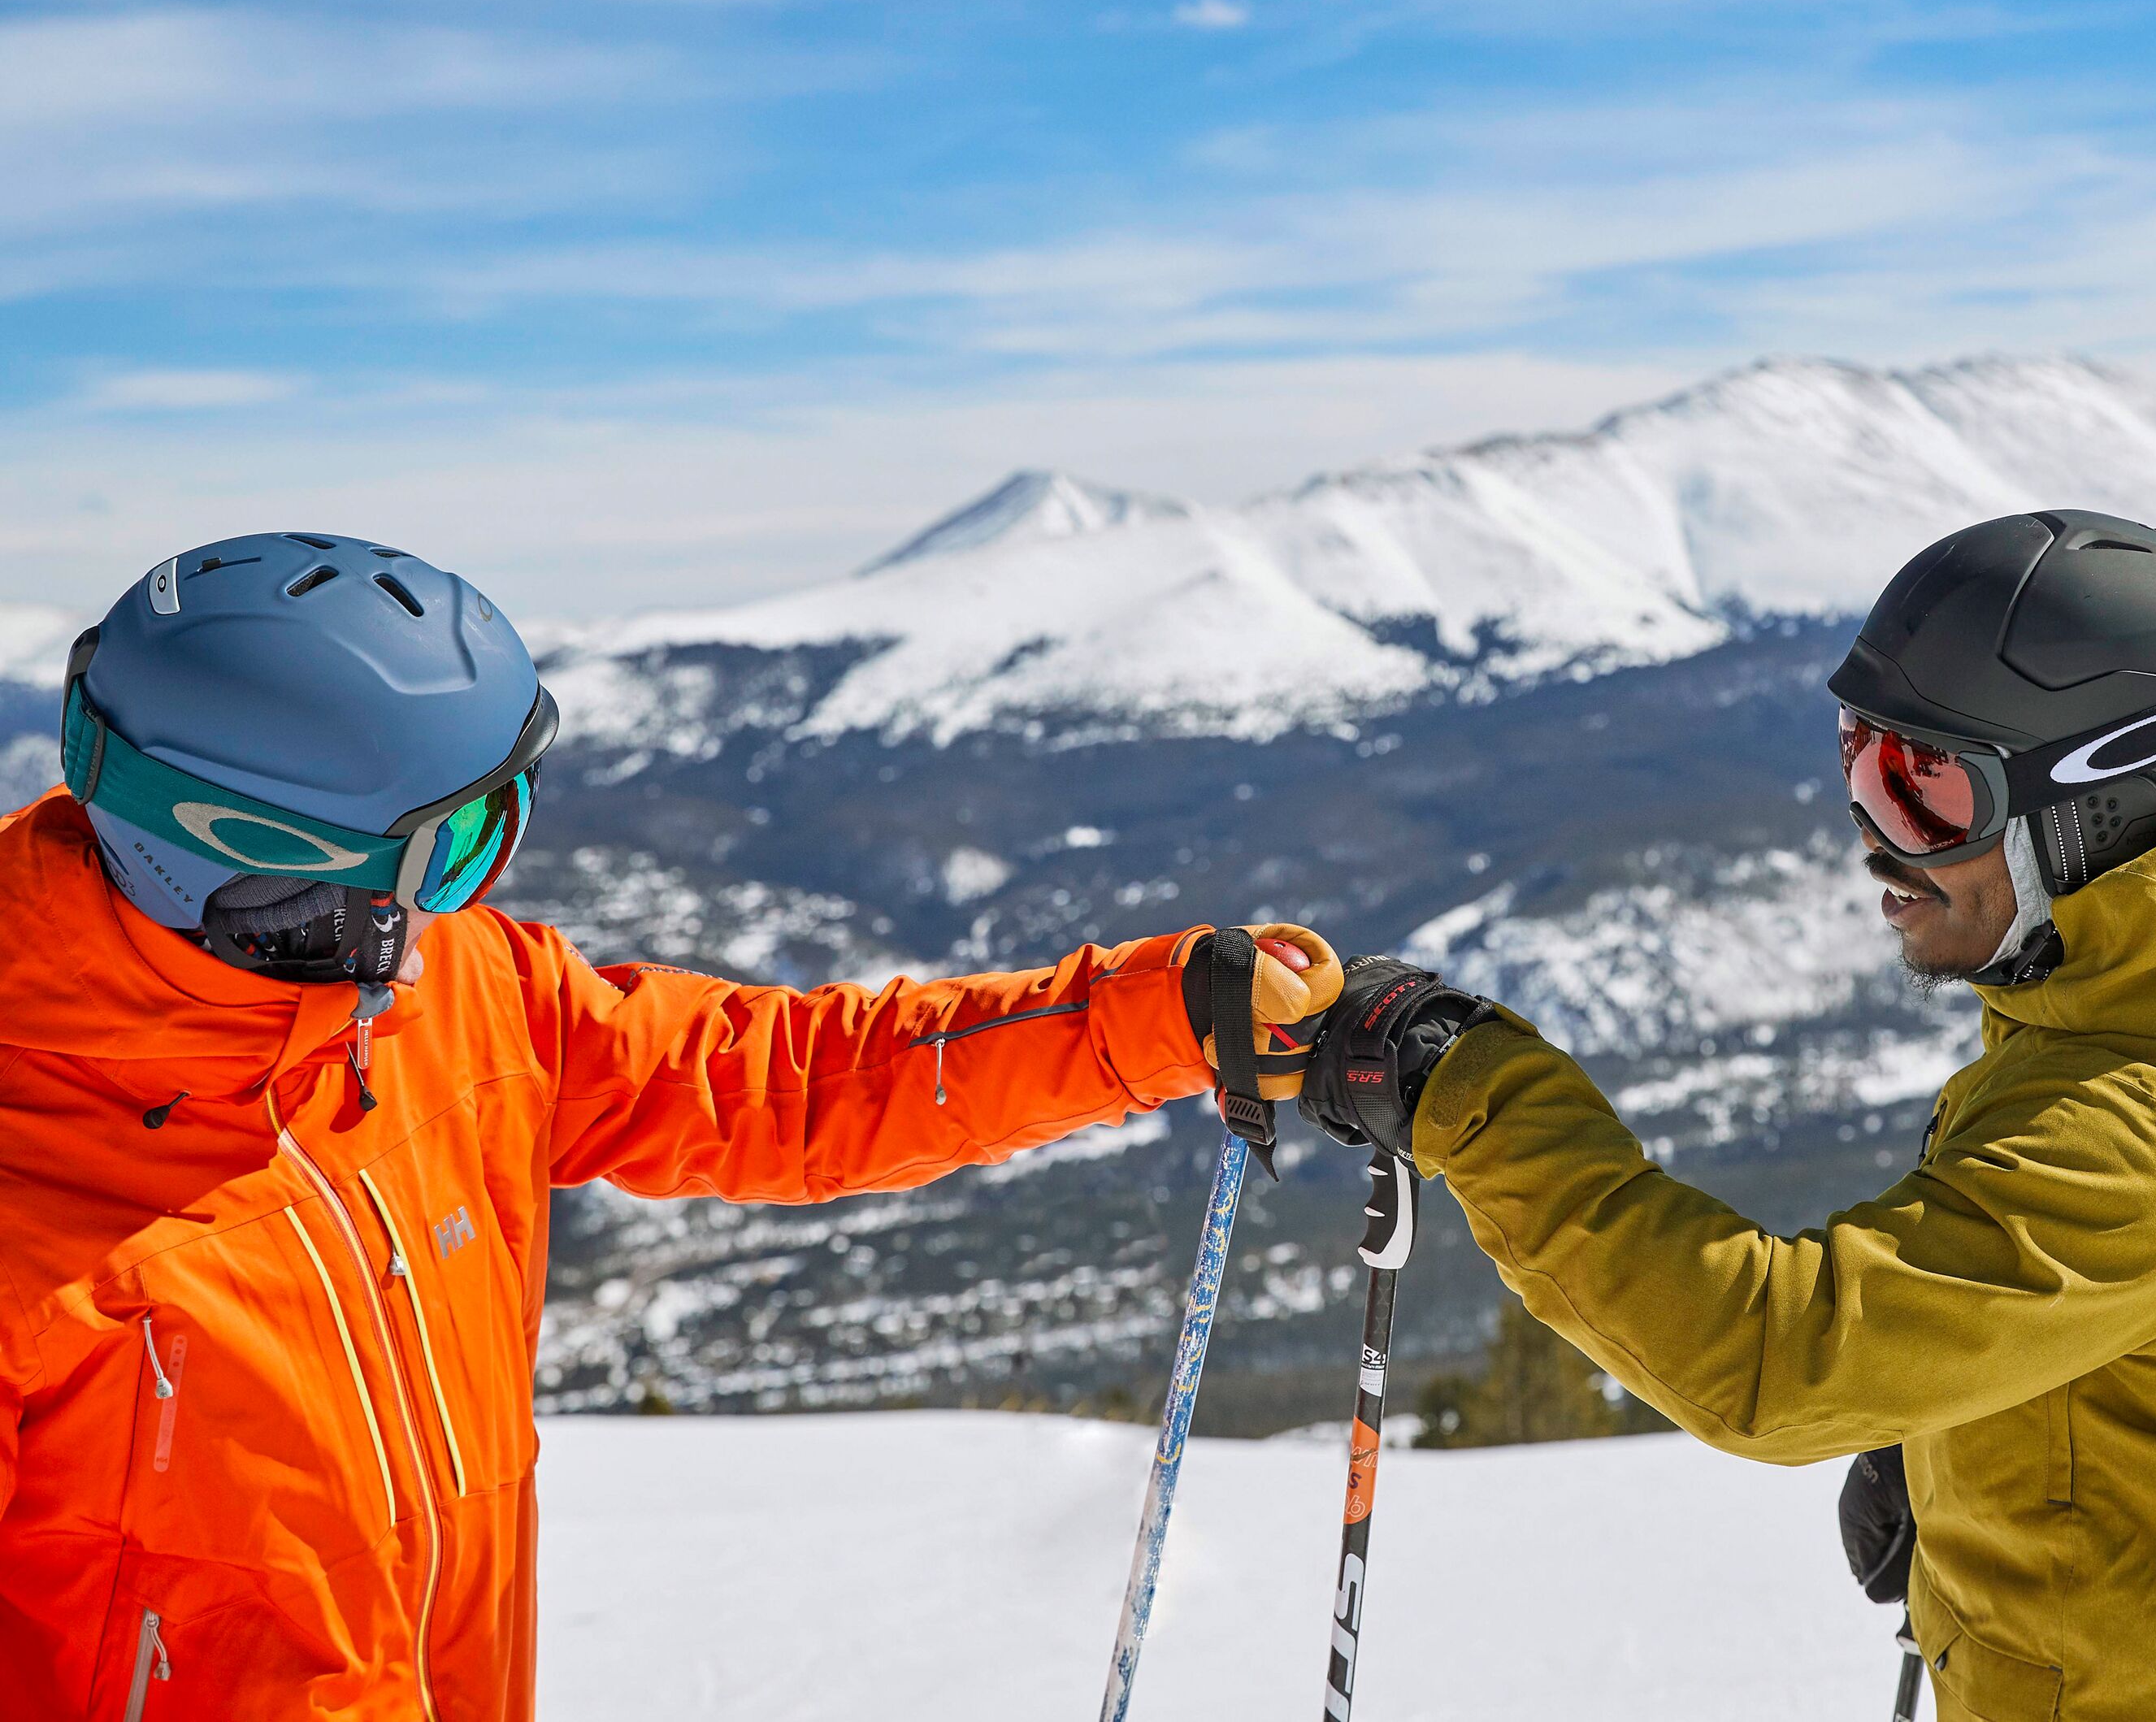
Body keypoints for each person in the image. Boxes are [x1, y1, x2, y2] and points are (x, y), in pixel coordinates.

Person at [0, 533, 1336, 1722]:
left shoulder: (450, 1003)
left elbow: (791, 1084)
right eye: (448, 848)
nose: (469, 901)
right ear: (244, 856)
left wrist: (1164, 1013)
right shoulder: (31, 1206)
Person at [1301, 510, 2156, 1720]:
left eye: (1927, 790)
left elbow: (1769, 1352)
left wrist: (1458, 1080)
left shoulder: (2153, 1121)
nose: (1877, 845)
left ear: (2106, 800)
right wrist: (1970, 1432)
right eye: (1860, 762)